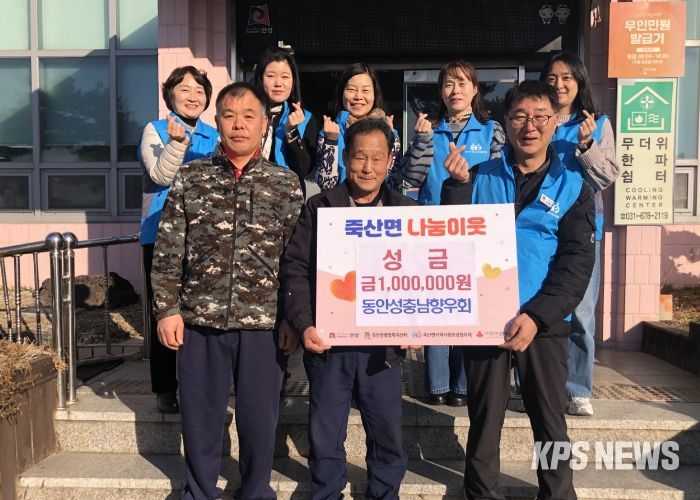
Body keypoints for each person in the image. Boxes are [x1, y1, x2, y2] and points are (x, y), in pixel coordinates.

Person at [441, 80, 595, 500]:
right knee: (484, 419)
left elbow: (576, 264)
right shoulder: (479, 176)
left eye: (540, 117)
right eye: (520, 117)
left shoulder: (573, 186)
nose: (530, 126)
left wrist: (538, 316)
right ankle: (481, 494)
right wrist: (456, 187)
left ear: (555, 121)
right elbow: (452, 242)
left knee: (550, 423)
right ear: (505, 123)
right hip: (486, 320)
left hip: (543, 324)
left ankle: (557, 494)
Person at [151, 82, 303, 500]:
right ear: (216, 122)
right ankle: (200, 492)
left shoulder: (285, 184)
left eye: (248, 116)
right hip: (199, 321)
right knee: (200, 416)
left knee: (259, 419)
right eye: (229, 116)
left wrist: (293, 318)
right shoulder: (191, 178)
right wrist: (166, 309)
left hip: (264, 324)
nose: (239, 124)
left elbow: (295, 261)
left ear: (263, 123)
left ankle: (255, 491)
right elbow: (168, 249)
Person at [282, 119, 416, 499]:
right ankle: (327, 493)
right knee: (325, 434)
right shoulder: (319, 207)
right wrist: (304, 323)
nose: (367, 167)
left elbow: (420, 274)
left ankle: (385, 494)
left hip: (383, 349)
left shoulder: (407, 211)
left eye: (377, 158)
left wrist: (420, 324)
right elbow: (295, 268)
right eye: (359, 157)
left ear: (390, 161)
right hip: (329, 345)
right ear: (345, 158)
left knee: (387, 433)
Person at [393, 60, 505, 407]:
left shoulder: (491, 130)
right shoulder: (430, 129)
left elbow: (500, 180)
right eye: (448, 84)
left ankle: (462, 385)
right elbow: (408, 178)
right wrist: (422, 141)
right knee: (436, 307)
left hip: (476, 232)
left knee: (467, 308)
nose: (455, 91)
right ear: (441, 92)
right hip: (433, 233)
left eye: (462, 83)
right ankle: (438, 384)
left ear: (475, 89)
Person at [540, 50, 619, 417]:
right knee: (537, 305)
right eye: (552, 78)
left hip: (583, 229)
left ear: (579, 81)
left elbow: (607, 176)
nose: (559, 84)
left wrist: (586, 146)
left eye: (566, 77)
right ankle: (536, 384)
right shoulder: (537, 119)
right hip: (540, 227)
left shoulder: (597, 124)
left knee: (582, 313)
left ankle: (577, 389)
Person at [138, 66, 218, 414]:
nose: (192, 96)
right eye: (184, 89)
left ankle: (199, 387)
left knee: (199, 314)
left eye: (199, 90)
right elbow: (161, 174)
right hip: (160, 235)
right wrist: (176, 143)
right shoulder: (155, 130)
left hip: (202, 239)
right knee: (165, 311)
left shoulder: (214, 135)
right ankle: (165, 388)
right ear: (169, 94)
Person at [316, 63, 401, 191]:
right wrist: (331, 142)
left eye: (365, 90)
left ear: (375, 94)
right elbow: (326, 185)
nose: (358, 97)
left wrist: (389, 139)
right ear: (342, 93)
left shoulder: (390, 132)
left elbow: (392, 183)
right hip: (339, 203)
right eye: (351, 89)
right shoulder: (329, 132)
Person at [254, 45, 320, 198]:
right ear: (260, 78)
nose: (278, 83)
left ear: (293, 81)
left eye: (285, 77)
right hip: (251, 197)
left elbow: (304, 169)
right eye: (271, 76)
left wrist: (291, 132)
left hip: (288, 201)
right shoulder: (247, 114)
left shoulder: (305, 118)